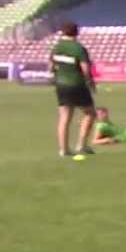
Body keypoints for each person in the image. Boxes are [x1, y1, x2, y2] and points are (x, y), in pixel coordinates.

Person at [49, 21, 97, 157]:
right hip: (77, 84)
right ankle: (81, 145)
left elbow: (51, 66)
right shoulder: (78, 48)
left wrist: (57, 75)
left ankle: (64, 149)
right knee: (90, 113)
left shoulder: (57, 47)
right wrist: (91, 82)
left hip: (61, 85)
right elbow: (85, 69)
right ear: (77, 32)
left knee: (64, 117)